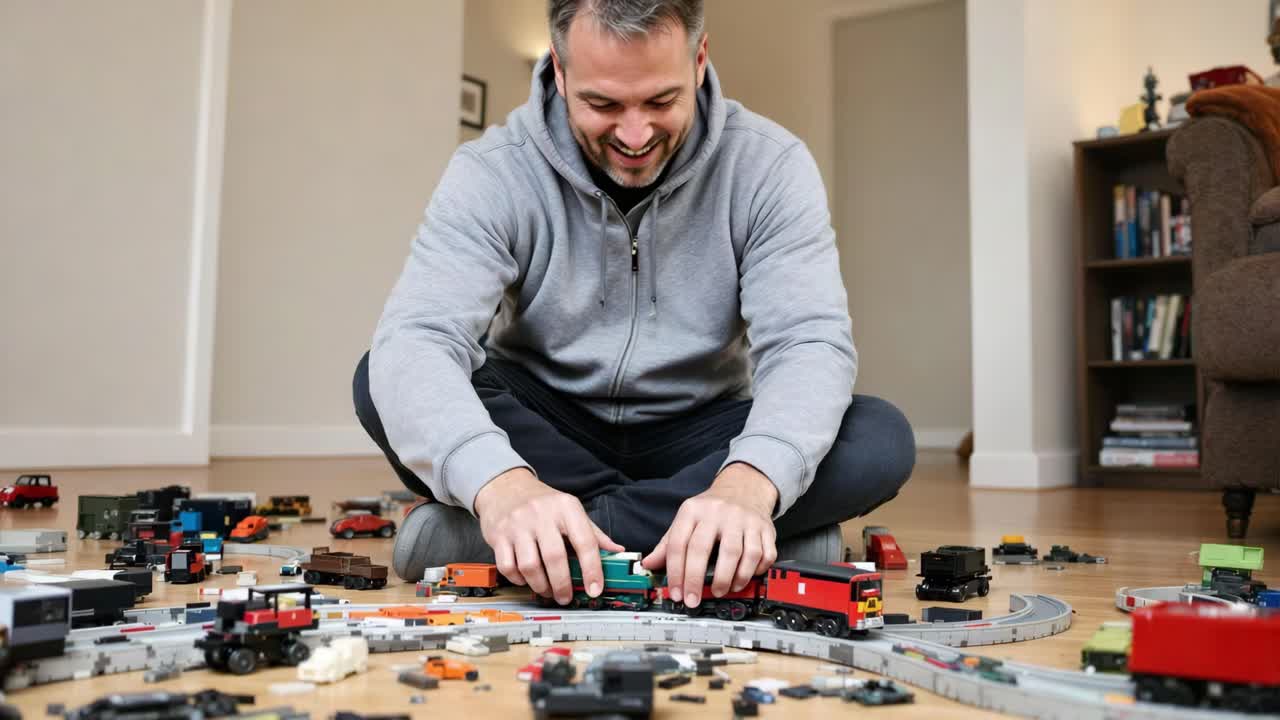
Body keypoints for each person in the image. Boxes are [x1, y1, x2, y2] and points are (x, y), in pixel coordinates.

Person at [353, 0, 915, 610]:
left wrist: (749, 486)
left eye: (659, 101)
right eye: (603, 105)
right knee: (377, 379)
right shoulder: (492, 172)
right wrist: (503, 487)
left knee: (878, 437)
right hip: (545, 427)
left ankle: (509, 545)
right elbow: (417, 339)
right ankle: (706, 540)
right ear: (560, 72)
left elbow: (809, 342)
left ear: (700, 61)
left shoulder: (770, 167)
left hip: (700, 434)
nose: (635, 135)